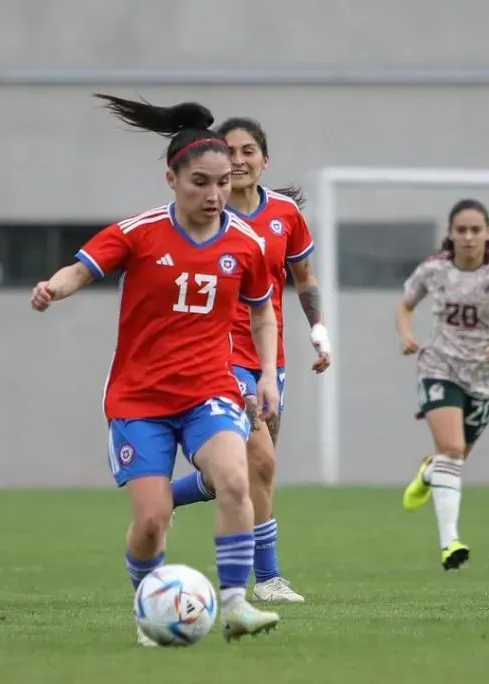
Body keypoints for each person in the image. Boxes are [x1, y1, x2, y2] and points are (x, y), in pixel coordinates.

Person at [31, 93, 282, 645]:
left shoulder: (248, 243)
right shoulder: (138, 233)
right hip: (139, 399)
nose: (214, 194)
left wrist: (265, 374)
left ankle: (237, 604)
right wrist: (55, 288)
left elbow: (262, 311)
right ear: (171, 179)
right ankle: (150, 612)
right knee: (151, 522)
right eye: (200, 182)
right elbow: (81, 268)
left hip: (209, 390)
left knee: (236, 481)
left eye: (222, 183)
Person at [169, 117, 332, 603]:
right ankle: (267, 579)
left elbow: (303, 278)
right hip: (218, 357)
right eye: (230, 151)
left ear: (265, 160)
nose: (238, 160)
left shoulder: (284, 214)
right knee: (258, 459)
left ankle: (172, 494)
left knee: (252, 471)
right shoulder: (203, 214)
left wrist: (318, 331)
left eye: (248, 151)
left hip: (268, 360)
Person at [396, 199, 489, 570]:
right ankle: (450, 543)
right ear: (450, 233)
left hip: (485, 379)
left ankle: (429, 473)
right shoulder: (434, 269)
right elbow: (405, 304)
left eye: (475, 230)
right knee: (452, 447)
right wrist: (406, 335)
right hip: (439, 367)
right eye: (461, 230)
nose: (468, 236)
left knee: (454, 458)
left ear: (488, 233)